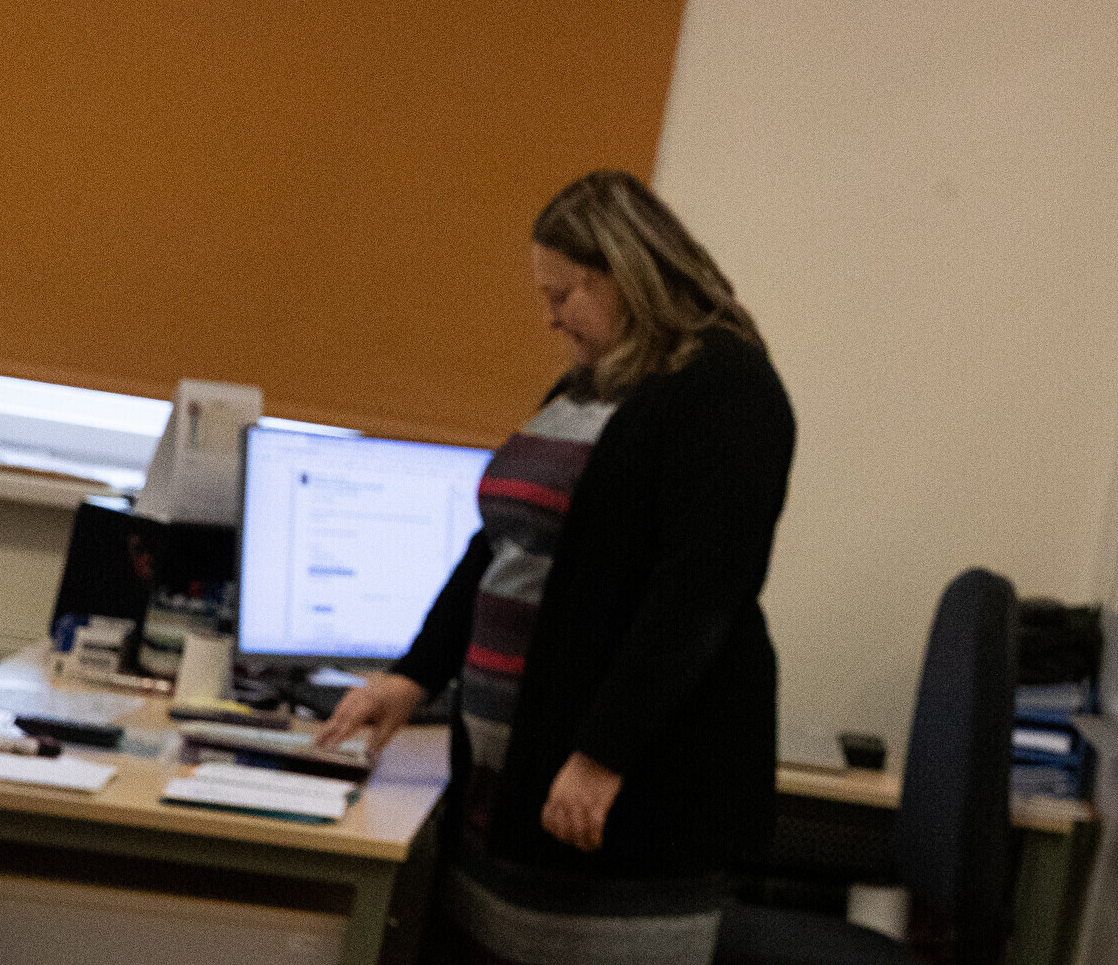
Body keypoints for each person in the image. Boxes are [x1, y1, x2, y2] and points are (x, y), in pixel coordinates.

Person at [321, 170, 796, 965]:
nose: (549, 317)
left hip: (627, 795)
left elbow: (698, 594)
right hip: (510, 781)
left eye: (562, 294)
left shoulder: (726, 387)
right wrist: (413, 676)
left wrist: (603, 754)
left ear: (626, 272)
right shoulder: (591, 384)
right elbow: (498, 547)